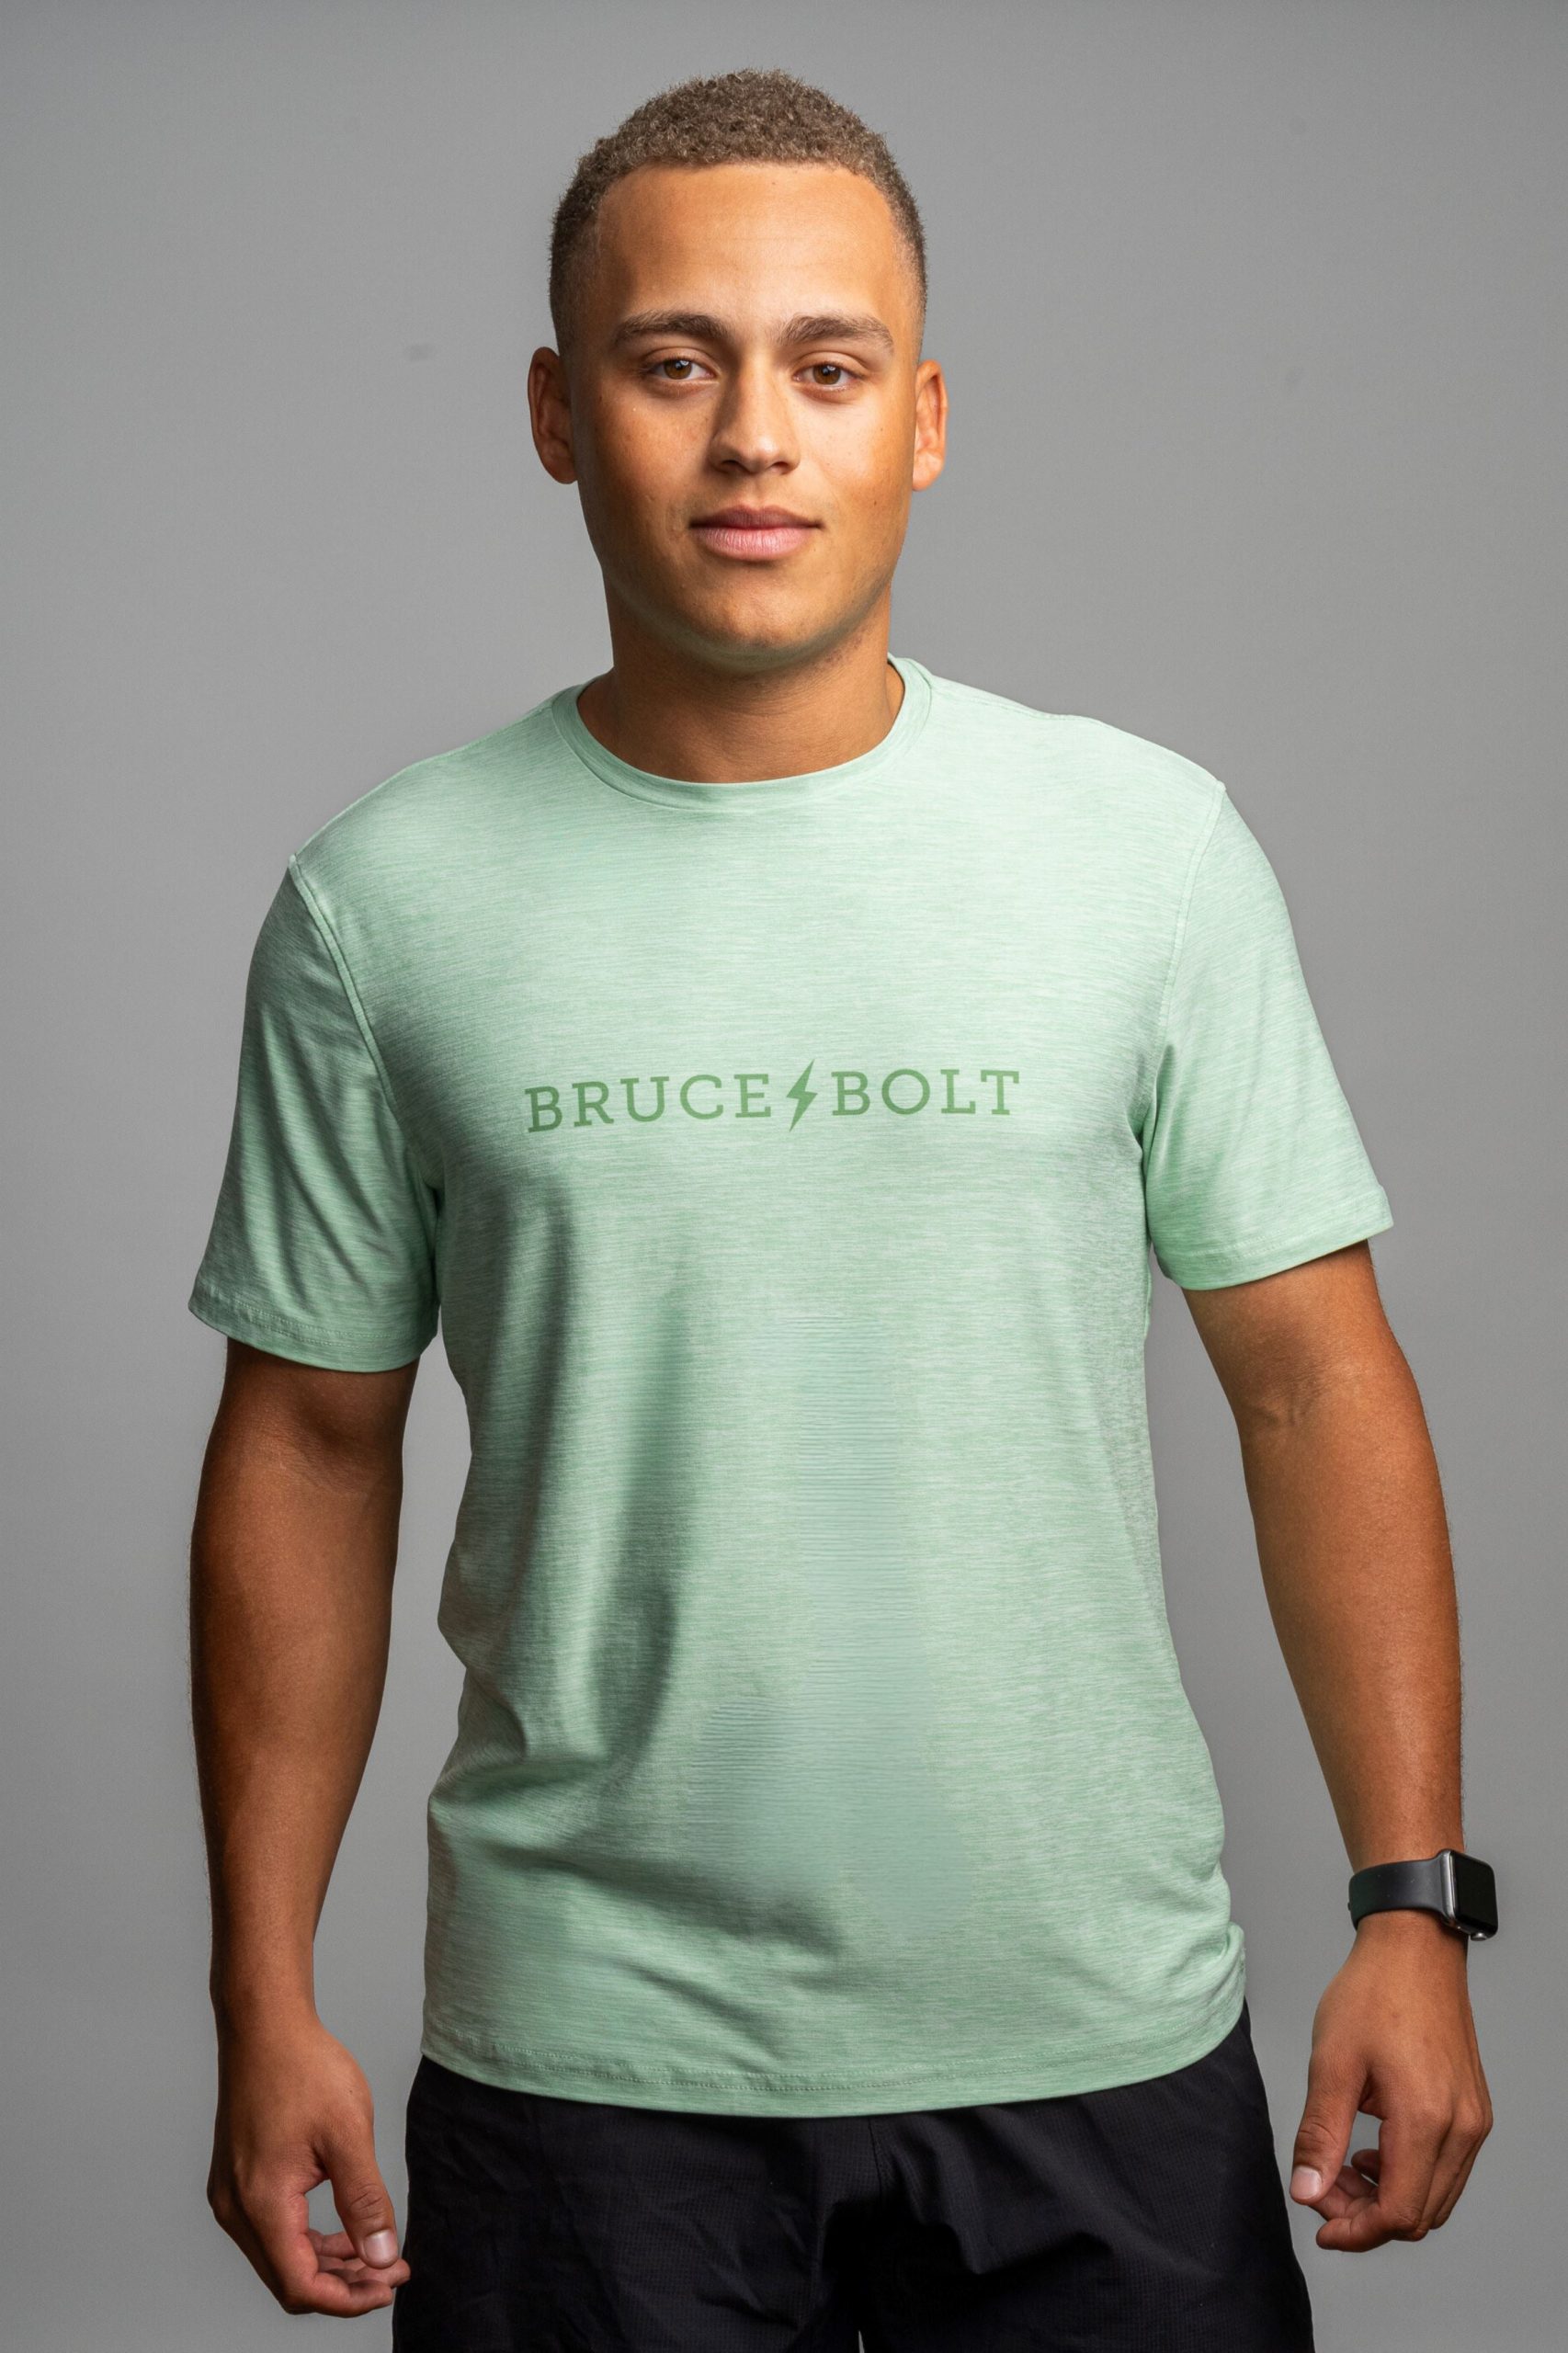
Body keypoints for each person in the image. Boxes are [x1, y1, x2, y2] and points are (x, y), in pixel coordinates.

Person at [187, 65, 1494, 2351]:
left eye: (826, 364)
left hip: (1094, 2034)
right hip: (585, 2071)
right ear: (557, 414)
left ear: (925, 418)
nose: (752, 438)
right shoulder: (386, 904)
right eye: (671, 361)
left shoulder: (1144, 852)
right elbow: (306, 1443)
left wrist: (1412, 1900)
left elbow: (1312, 1381)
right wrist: (260, 1987)